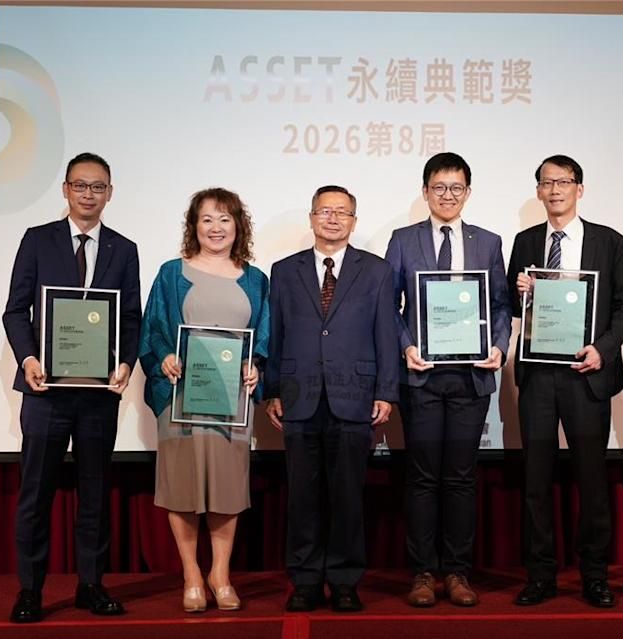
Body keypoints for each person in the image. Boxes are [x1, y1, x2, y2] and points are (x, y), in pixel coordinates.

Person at [2, 152, 141, 623]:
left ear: (110, 193)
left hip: (99, 396)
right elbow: (15, 310)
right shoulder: (37, 240)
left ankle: (91, 584)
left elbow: (131, 317)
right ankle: (30, 589)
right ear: (65, 189)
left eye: (97, 187)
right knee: (35, 492)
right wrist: (28, 358)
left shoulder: (124, 249)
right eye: (80, 185)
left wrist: (126, 362)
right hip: (46, 392)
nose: (88, 194)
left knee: (95, 493)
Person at [507, 155, 623, 608]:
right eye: (547, 183)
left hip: (587, 373)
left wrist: (603, 347)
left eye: (563, 182)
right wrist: (520, 291)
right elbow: (512, 304)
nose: (555, 190)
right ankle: (540, 575)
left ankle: (595, 576)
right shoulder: (525, 241)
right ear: (538, 191)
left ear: (579, 189)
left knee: (592, 479)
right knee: (536, 480)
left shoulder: (609, 241)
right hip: (539, 375)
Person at [384, 152, 511, 607]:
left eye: (456, 187)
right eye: (439, 187)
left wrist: (498, 347)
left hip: (470, 377)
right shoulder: (403, 240)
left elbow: (501, 304)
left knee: (460, 478)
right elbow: (389, 305)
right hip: (422, 376)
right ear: (425, 192)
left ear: (468, 193)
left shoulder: (488, 242)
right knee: (421, 477)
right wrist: (406, 347)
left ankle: (457, 571)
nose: (448, 195)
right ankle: (422, 572)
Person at [265, 185, 398, 613]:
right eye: (325, 211)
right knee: (302, 497)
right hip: (299, 396)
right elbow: (276, 333)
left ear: (354, 222)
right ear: (312, 218)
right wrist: (272, 389)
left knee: (347, 496)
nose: (333, 218)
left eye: (342, 212)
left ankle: (344, 580)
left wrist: (386, 391)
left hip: (354, 396)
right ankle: (305, 581)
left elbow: (386, 334)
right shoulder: (284, 271)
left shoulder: (376, 271)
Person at [138, 188, 269, 613]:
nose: (216, 227)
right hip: (182, 399)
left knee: (228, 487)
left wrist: (255, 365)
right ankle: (192, 574)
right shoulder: (171, 274)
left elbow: (265, 338)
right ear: (193, 226)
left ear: (238, 226)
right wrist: (165, 356)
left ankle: (220, 575)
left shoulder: (256, 279)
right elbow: (152, 330)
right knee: (182, 487)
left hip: (231, 401)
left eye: (225, 219)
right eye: (207, 219)